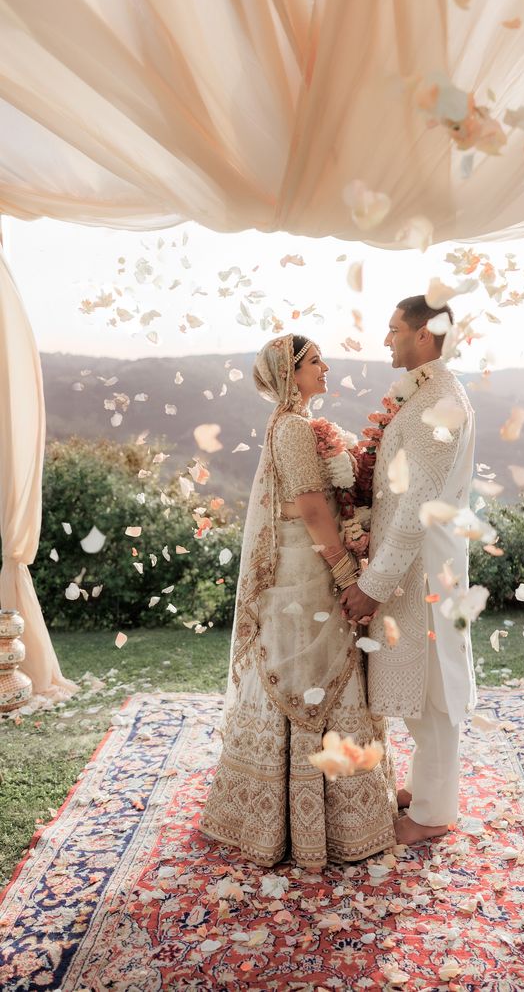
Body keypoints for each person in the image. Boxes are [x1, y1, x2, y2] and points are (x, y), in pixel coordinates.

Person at [200, 333, 395, 870]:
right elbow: (310, 507)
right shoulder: (292, 428)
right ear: (291, 373)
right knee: (307, 667)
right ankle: (296, 823)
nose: (325, 367)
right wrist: (342, 566)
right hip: (303, 566)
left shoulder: (298, 426)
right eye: (314, 362)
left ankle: (332, 812)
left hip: (308, 559)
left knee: (321, 667)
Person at [341, 297, 476, 847]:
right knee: (421, 685)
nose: (386, 339)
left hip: (423, 569)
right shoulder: (428, 391)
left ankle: (433, 814)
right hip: (415, 563)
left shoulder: (440, 401)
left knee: (434, 690)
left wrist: (371, 587)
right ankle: (426, 790)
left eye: (394, 329)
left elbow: (419, 504)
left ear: (424, 335)